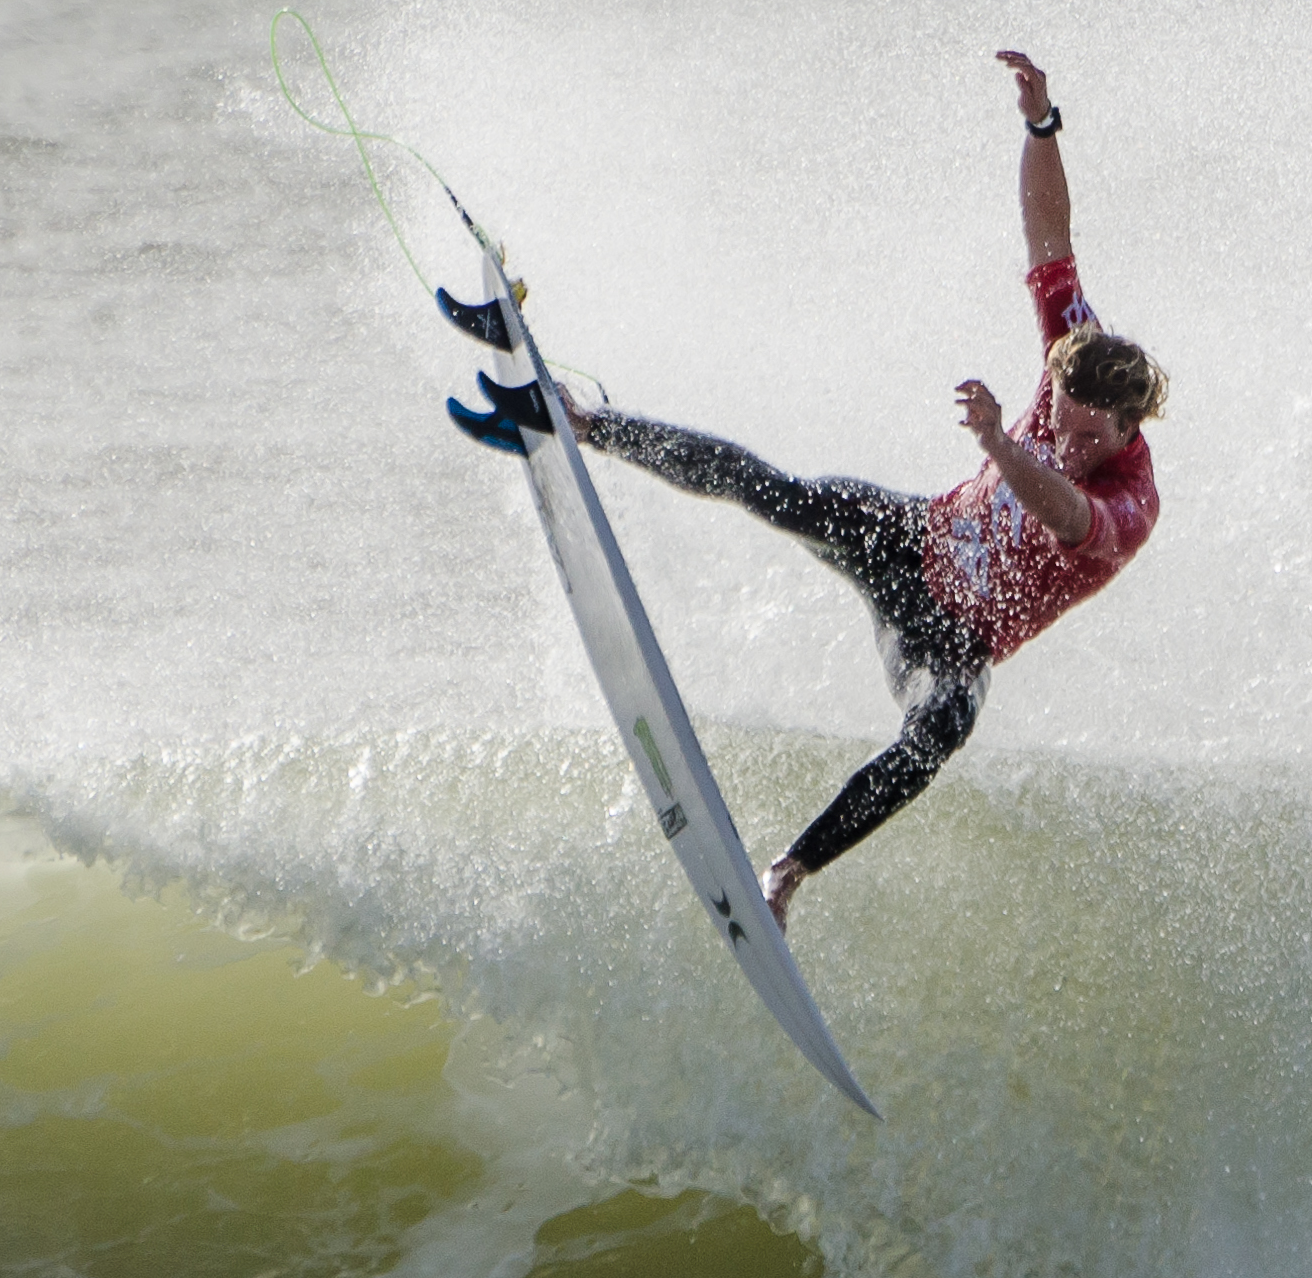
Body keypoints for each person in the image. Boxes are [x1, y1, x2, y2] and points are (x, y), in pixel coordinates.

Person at [445, 49, 1166, 924]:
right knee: (772, 489)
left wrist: (999, 445)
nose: (1070, 439)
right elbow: (1050, 243)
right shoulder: (1073, 357)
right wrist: (1041, 123)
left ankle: (787, 871)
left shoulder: (1131, 505)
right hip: (914, 536)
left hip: (950, 633)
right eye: (1064, 421)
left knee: (939, 732)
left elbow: (1064, 512)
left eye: (1091, 436)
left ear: (1131, 429)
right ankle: (583, 420)